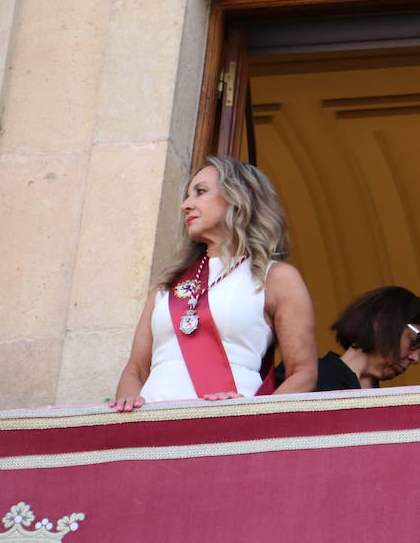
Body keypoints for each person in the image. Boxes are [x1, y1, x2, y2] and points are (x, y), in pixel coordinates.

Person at [109, 157, 317, 410]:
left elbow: (303, 373)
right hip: (151, 430)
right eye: (187, 196)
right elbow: (136, 368)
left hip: (229, 428)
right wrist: (127, 408)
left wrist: (254, 418)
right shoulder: (168, 284)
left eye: (200, 192)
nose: (186, 205)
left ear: (239, 196)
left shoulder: (276, 278)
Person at [275, 286, 420, 391]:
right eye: (415, 341)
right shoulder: (299, 376)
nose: (416, 358)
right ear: (381, 323)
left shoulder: (388, 407)